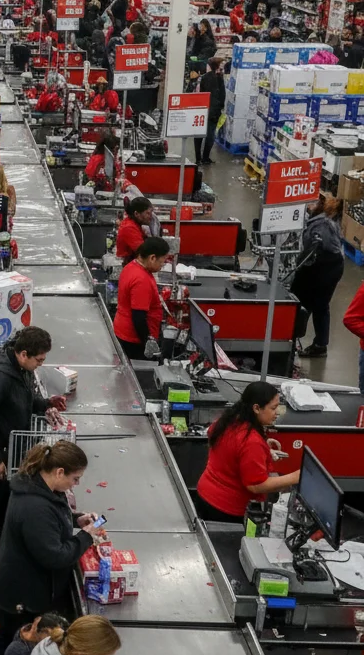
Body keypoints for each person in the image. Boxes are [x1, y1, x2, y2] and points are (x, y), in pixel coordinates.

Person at [0, 442, 101, 655]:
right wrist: (86, 538)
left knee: (7, 635)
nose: (75, 484)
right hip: (21, 591)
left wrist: (76, 520)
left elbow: (53, 519)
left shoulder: (40, 487)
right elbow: (54, 555)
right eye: (75, 478)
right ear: (59, 472)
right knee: (9, 638)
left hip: (21, 583)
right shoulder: (34, 506)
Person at [0, 327, 68, 588]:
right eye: (39, 360)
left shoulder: (21, 369)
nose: (41, 364)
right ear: (23, 354)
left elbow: (25, 399)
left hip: (5, 450)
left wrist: (46, 403)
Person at [195, 381, 301, 522]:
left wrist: (263, 448)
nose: (277, 413)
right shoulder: (251, 441)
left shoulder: (229, 420)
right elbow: (256, 485)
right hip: (226, 510)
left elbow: (227, 445)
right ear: (256, 408)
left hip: (204, 495)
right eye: (273, 408)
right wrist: (296, 477)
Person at [290, 195, 344, 359]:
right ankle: (318, 344)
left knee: (300, 300)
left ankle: (293, 338)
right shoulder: (320, 219)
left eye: (310, 203)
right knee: (318, 305)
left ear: (318, 205)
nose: (307, 206)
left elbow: (312, 249)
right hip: (330, 264)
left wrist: (297, 266)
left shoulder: (322, 224)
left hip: (324, 266)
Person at [112, 237, 170, 360]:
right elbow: (138, 316)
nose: (161, 266)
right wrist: (148, 342)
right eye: (161, 262)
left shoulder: (131, 266)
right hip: (134, 339)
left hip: (122, 330)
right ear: (152, 258)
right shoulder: (141, 280)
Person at [191, 56, 226, 165]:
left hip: (202, 110)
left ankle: (198, 158)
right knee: (210, 135)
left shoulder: (203, 78)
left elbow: (197, 93)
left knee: (198, 135)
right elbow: (222, 95)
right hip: (214, 112)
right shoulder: (219, 78)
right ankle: (206, 157)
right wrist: (219, 108)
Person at [114, 196, 157, 263]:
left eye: (151, 213)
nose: (150, 217)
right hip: (126, 264)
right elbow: (144, 252)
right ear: (136, 214)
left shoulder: (135, 224)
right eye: (147, 213)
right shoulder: (129, 227)